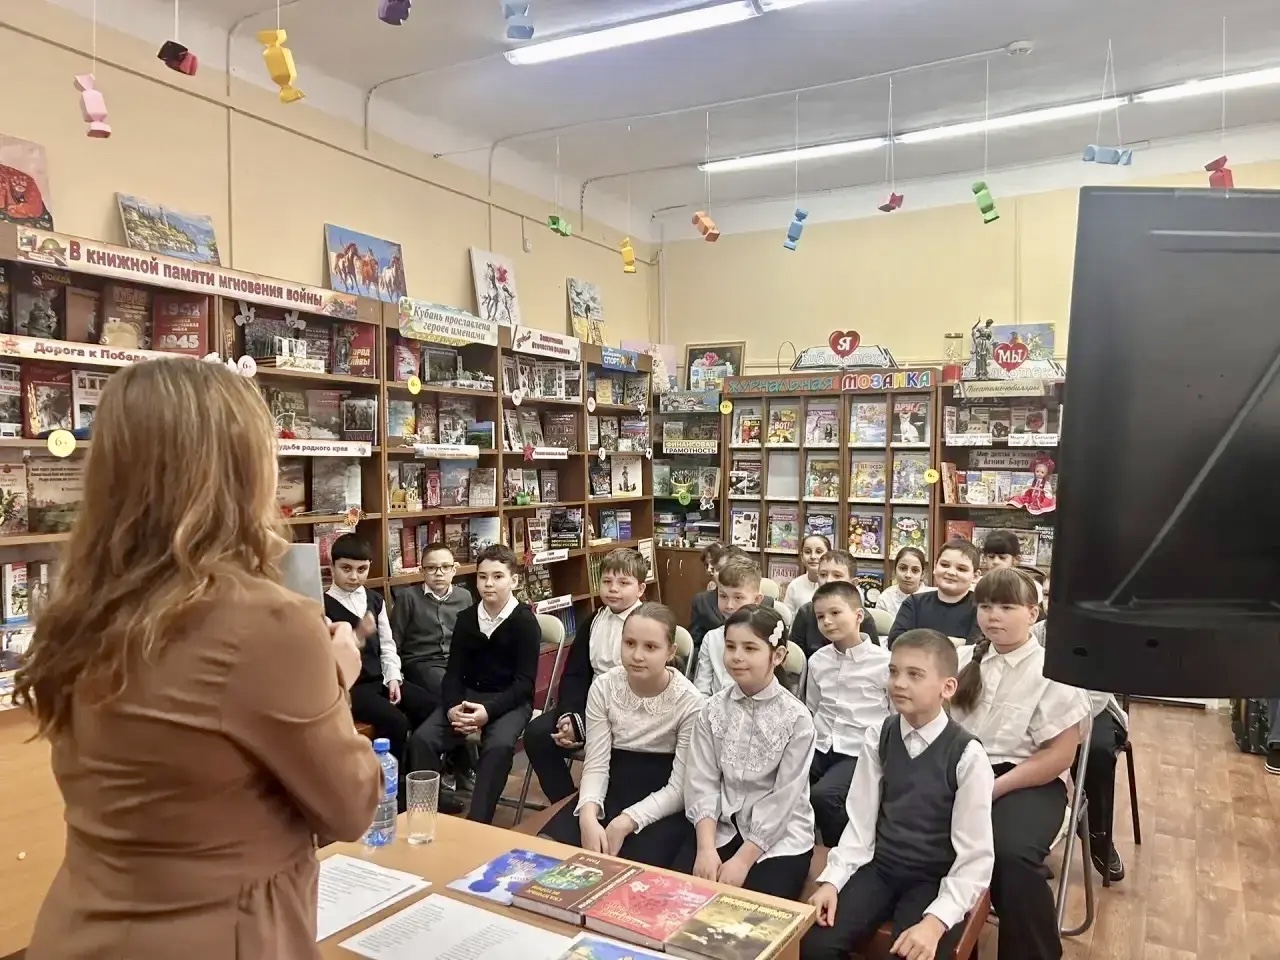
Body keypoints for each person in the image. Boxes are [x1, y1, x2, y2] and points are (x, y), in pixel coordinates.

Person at [13, 358, 382, 960]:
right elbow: (350, 806)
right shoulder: (266, 622)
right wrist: (336, 672)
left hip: (81, 927)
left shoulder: (80, 609)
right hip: (221, 935)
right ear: (245, 472)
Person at [802, 630, 994, 960]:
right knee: (815, 946)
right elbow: (860, 825)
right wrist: (832, 881)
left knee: (912, 954)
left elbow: (974, 857)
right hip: (880, 867)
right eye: (893, 672)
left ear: (948, 687)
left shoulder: (967, 755)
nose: (899, 683)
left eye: (914, 675)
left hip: (934, 878)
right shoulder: (880, 735)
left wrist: (935, 921)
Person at [951, 567, 1090, 960]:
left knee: (1009, 854)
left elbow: (1059, 755)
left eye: (1007, 607)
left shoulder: (1054, 671)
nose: (993, 615)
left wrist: (994, 788)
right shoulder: (961, 659)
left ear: (1033, 613)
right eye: (985, 606)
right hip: (961, 771)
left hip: (1028, 781)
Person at [540, 602, 702, 867]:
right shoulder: (604, 687)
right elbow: (596, 764)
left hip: (661, 801)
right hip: (611, 786)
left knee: (629, 872)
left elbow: (679, 788)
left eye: (650, 647)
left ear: (671, 651)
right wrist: (588, 816)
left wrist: (626, 822)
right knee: (547, 854)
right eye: (629, 643)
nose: (637, 655)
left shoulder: (690, 702)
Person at [676, 605, 816, 900]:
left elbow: (784, 799)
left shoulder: (797, 719)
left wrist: (742, 860)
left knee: (749, 913)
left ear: (777, 655)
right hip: (721, 826)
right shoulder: (712, 710)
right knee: (680, 897)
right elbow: (701, 780)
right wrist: (705, 848)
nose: (737, 656)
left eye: (750, 648)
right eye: (730, 647)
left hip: (779, 837)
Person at [405, 543, 539, 823]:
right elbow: (454, 673)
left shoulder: (525, 622)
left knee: (498, 747)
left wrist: (487, 712)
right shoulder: (467, 619)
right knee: (422, 739)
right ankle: (424, 814)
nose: (488, 583)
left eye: (497, 576)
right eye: (482, 576)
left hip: (509, 701)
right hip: (468, 697)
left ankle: (479, 820)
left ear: (514, 580)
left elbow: (524, 685)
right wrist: (453, 707)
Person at [524, 548, 647, 804]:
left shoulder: (649, 624)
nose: (613, 589)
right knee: (536, 734)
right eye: (607, 581)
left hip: (630, 710)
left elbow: (647, 682)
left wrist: (583, 727)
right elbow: (574, 674)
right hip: (589, 704)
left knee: (613, 747)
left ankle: (608, 803)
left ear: (641, 589)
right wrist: (571, 717)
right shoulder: (593, 620)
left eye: (623, 583)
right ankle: (566, 802)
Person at [328, 533, 434, 773]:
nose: (354, 576)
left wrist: (393, 678)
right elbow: (328, 657)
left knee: (430, 706)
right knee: (396, 721)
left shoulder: (374, 600)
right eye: (346, 568)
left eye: (361, 569)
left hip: (380, 679)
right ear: (332, 567)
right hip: (351, 688)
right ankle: (390, 785)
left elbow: (387, 644)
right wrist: (359, 635)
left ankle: (418, 773)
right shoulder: (322, 605)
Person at [804, 580, 890, 847]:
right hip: (821, 744)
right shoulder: (817, 660)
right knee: (782, 783)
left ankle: (845, 851)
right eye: (820, 617)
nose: (827, 621)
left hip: (859, 749)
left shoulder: (885, 663)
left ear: (858, 615)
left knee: (824, 796)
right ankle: (797, 847)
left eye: (835, 612)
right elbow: (813, 706)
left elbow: (895, 715)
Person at [390, 541, 472, 701]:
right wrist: (395, 673)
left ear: (454, 570)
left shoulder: (464, 596)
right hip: (422, 662)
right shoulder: (408, 597)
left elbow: (470, 636)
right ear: (422, 571)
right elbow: (394, 639)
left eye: (445, 567)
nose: (439, 573)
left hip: (456, 660)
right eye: (431, 568)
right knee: (448, 689)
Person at [887, 539, 980, 647]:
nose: (951, 572)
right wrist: (957, 643)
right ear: (935, 567)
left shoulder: (982, 607)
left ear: (975, 576)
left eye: (961, 569)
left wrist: (917, 641)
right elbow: (895, 641)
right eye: (945, 565)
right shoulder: (913, 603)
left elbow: (978, 646)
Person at [694, 557, 764, 697]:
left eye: (738, 598)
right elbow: (702, 688)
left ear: (756, 600)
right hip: (714, 707)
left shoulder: (764, 640)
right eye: (723, 596)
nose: (729, 605)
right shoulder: (711, 638)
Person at [791, 549, 880, 657]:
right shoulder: (805, 613)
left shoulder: (863, 617)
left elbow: (873, 657)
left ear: (853, 583)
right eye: (823, 575)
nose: (828, 580)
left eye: (837, 576)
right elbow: (796, 659)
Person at [690, 544, 756, 646]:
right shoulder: (701, 601)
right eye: (717, 569)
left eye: (724, 569)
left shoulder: (765, 603)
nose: (717, 574)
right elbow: (695, 644)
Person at [875, 546, 936, 621]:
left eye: (915, 570)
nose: (908, 575)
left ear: (922, 574)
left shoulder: (933, 598)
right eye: (903, 568)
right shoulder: (885, 599)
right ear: (895, 570)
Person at [783, 533, 830, 613]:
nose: (813, 556)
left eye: (819, 552)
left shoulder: (836, 585)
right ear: (802, 557)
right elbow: (787, 617)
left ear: (829, 555)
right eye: (808, 552)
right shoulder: (794, 586)